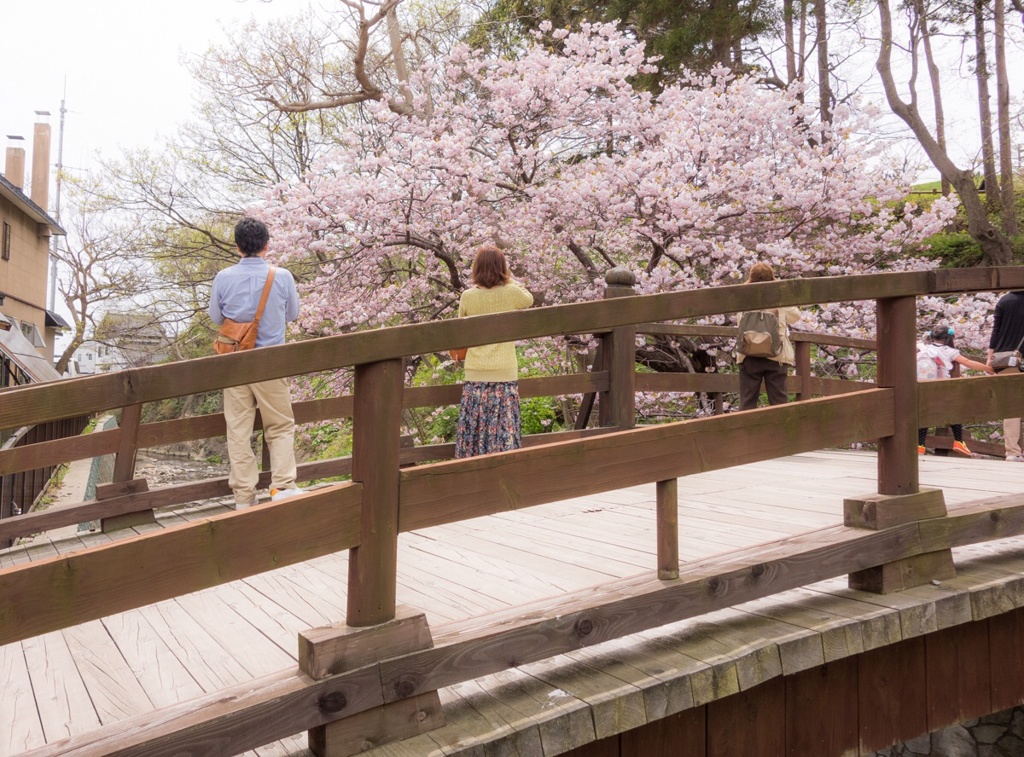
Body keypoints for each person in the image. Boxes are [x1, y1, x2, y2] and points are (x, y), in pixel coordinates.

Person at [209, 217, 303, 507]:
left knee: (238, 431)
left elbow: (216, 317)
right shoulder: (282, 276)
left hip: (235, 364)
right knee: (280, 426)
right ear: (266, 245)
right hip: (271, 362)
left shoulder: (223, 278)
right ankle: (283, 486)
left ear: (237, 247)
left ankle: (243, 497)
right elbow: (293, 314)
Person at [454, 244, 534, 458]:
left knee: (475, 432)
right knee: (503, 435)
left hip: (476, 373)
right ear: (502, 267)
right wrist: (508, 279)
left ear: (476, 268)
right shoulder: (511, 293)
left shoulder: (468, 296)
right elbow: (528, 299)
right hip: (504, 372)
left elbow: (459, 329)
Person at [916, 324, 993, 457]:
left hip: (924, 386)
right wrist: (989, 369)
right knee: (954, 411)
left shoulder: (924, 349)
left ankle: (920, 445)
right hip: (942, 387)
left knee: (925, 414)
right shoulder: (949, 351)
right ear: (949, 338)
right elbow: (968, 362)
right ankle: (958, 441)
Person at [736, 262, 801, 411]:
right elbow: (796, 316)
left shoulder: (742, 298)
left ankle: (746, 433)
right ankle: (781, 433)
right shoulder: (780, 298)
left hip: (748, 354)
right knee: (779, 403)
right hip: (776, 355)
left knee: (747, 402)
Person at [987, 290, 1024, 461]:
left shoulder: (1005, 300)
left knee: (1011, 407)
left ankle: (1012, 452)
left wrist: (989, 358)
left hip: (1006, 358)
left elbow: (996, 331)